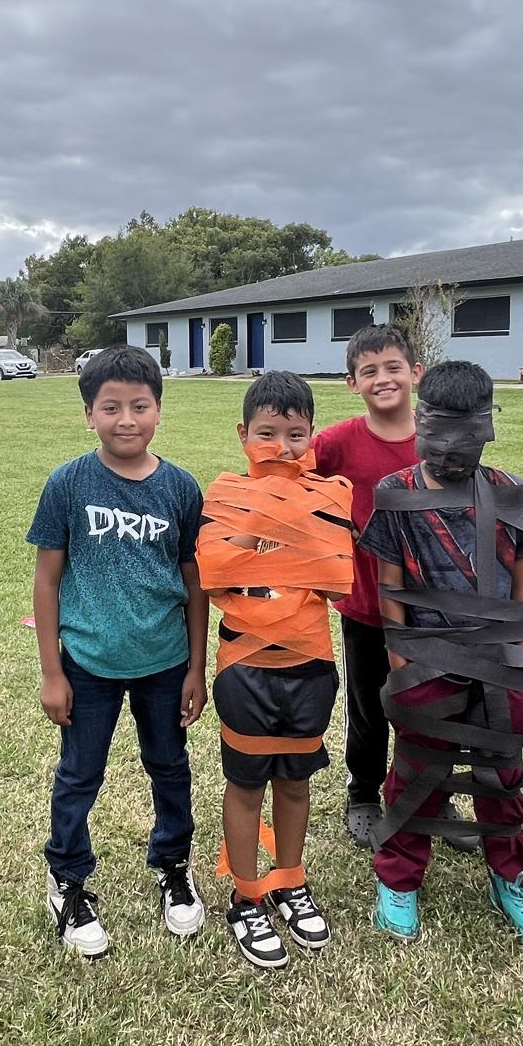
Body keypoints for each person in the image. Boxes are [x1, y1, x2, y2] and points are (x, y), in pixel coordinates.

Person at [363, 361, 523, 951]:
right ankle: (399, 876)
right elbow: (389, 583)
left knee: (500, 776)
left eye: (466, 431)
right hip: (426, 663)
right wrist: (401, 658)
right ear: (421, 424)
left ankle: (512, 877)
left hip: (499, 662)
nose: (452, 448)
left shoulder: (507, 492)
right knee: (417, 774)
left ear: (487, 426)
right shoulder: (398, 494)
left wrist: (520, 647)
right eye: (440, 430)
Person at [29, 344, 209, 959]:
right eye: (111, 407)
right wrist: (53, 671)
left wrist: (197, 666)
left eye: (139, 406)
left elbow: (194, 582)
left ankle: (174, 866)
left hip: (163, 661)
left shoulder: (181, 488)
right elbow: (47, 580)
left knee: (169, 768)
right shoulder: (68, 483)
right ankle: (68, 877)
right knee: (81, 774)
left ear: (159, 411)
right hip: (88, 662)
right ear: (89, 414)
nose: (125, 419)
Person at [196, 371, 354, 969]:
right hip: (244, 666)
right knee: (245, 784)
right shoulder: (225, 495)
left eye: (294, 434)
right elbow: (216, 576)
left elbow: (337, 579)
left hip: (311, 664)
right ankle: (245, 895)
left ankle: (290, 880)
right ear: (243, 434)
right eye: (267, 433)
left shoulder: (329, 496)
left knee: (295, 781)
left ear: (311, 435)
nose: (281, 446)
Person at [311, 323, 424, 847]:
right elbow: (291, 475)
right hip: (365, 604)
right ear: (351, 382)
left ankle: (425, 791)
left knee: (429, 701)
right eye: (369, 371)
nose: (383, 379)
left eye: (393, 367)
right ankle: (362, 794)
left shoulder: (437, 437)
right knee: (369, 703)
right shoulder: (337, 442)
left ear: (415, 372)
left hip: (431, 603)